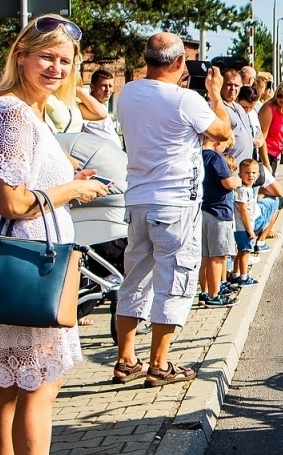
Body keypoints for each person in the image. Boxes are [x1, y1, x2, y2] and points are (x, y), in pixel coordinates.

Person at [0, 15, 109, 455]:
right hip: (28, 270)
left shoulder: (2, 111)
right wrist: (72, 190)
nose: (57, 67)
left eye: (66, 60)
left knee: (5, 388)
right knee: (37, 390)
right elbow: (12, 201)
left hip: (5, 268)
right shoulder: (15, 114)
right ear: (21, 55)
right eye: (46, 55)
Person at [111, 33, 232, 388]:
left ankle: (125, 359)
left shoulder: (127, 93)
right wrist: (214, 94)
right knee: (174, 281)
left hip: (138, 199)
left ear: (145, 59)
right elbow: (222, 133)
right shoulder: (186, 100)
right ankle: (159, 364)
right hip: (176, 201)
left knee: (134, 280)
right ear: (179, 63)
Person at [198, 141, 241, 307]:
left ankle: (205, 291)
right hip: (218, 211)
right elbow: (227, 183)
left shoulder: (196, 154)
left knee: (205, 256)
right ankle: (215, 295)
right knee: (217, 255)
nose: (227, 149)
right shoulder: (216, 157)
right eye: (226, 144)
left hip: (202, 209)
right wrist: (237, 180)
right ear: (217, 141)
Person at [221, 68, 263, 165]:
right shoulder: (219, 107)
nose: (233, 88)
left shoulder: (239, 108)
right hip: (230, 169)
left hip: (246, 168)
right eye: (229, 84)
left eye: (236, 85)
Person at [230, 157, 261, 287]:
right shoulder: (242, 191)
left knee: (241, 251)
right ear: (240, 175)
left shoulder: (248, 190)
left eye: (253, 173)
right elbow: (243, 211)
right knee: (245, 251)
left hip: (243, 227)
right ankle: (244, 277)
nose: (250, 176)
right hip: (242, 227)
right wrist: (250, 230)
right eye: (247, 173)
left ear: (258, 175)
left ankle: (235, 274)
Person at [259, 81, 283, 172]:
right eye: (279, 96)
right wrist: (266, 163)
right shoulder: (269, 109)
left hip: (275, 155)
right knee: (271, 186)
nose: (282, 100)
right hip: (265, 155)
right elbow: (261, 137)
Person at [80, 69, 121, 146]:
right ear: (92, 87)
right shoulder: (86, 107)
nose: (108, 90)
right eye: (104, 86)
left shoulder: (103, 107)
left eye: (110, 86)